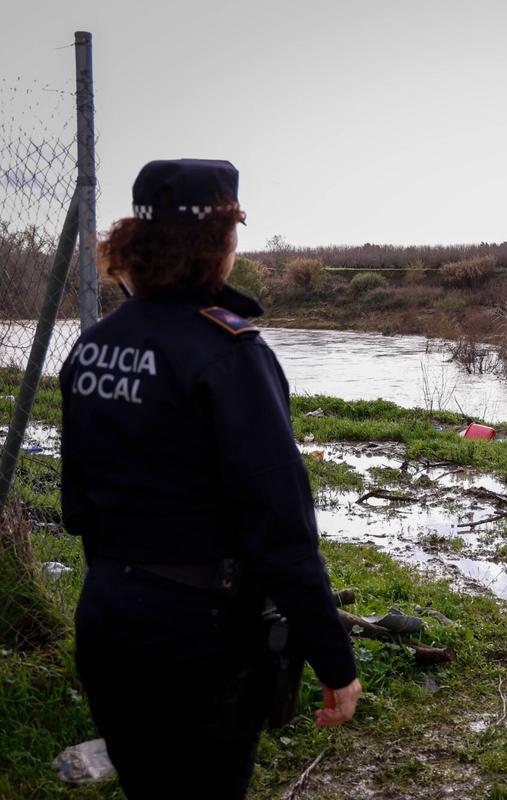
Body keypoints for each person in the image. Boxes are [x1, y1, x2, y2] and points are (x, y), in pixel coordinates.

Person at [60, 159, 361, 799]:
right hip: (201, 643)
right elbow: (282, 527)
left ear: (135, 243)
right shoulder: (228, 354)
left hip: (109, 617)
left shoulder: (92, 348)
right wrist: (333, 657)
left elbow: (77, 503)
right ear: (219, 247)